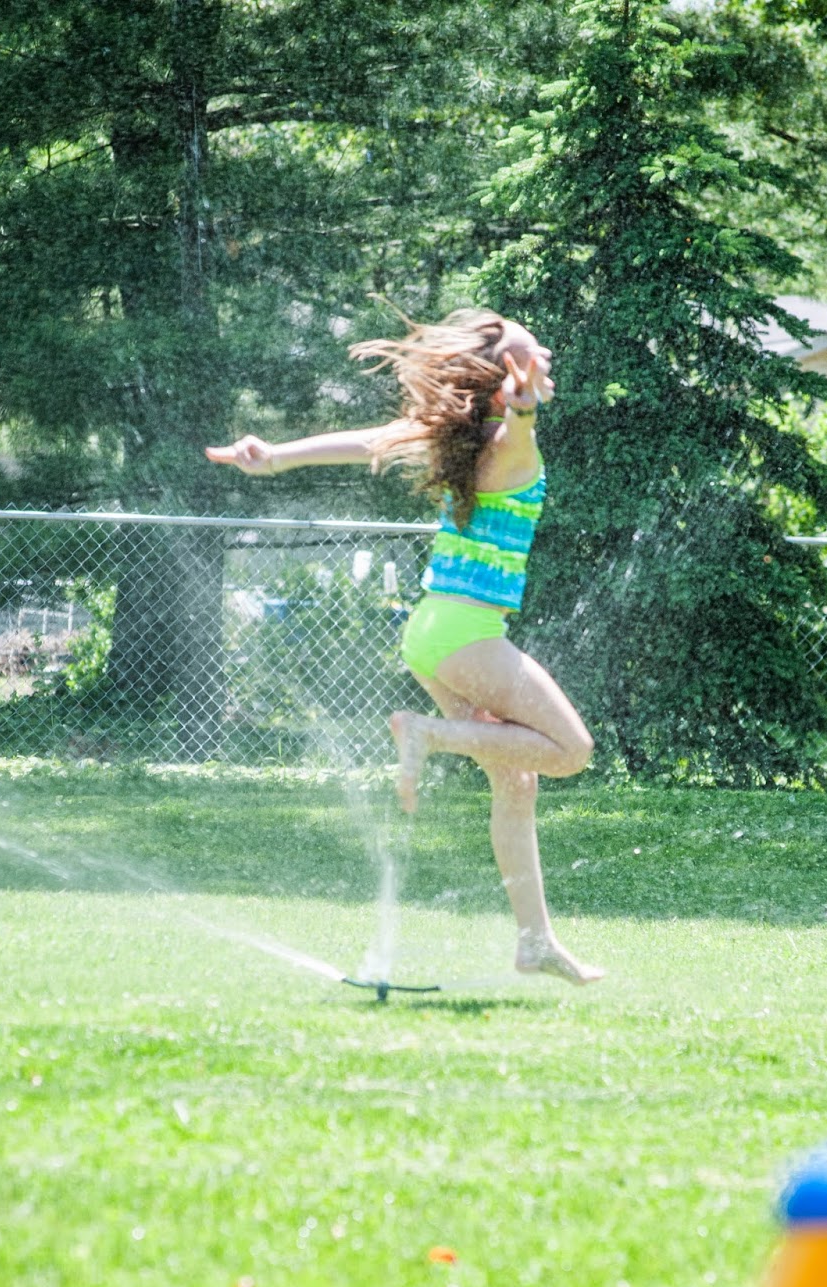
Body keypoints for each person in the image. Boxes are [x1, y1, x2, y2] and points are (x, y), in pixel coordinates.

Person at [206, 308, 603, 985]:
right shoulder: (512, 446)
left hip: (432, 633)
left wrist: (274, 458)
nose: (545, 357)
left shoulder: (456, 441)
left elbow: (369, 441)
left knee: (516, 779)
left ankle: (535, 941)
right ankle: (427, 734)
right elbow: (520, 425)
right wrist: (525, 408)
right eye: (531, 353)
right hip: (466, 636)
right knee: (571, 751)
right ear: (502, 386)